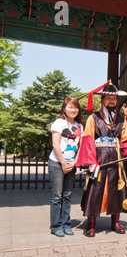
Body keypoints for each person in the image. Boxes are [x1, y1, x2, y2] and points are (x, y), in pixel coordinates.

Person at [76, 82, 127, 237]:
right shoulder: (93, 118)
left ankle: (115, 222)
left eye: (114, 99)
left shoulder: (121, 120)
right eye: (108, 99)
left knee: (117, 189)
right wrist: (90, 161)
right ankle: (91, 224)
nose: (111, 101)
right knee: (95, 189)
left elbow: (126, 139)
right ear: (102, 100)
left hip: (116, 158)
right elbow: (88, 139)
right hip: (98, 158)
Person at [49, 97, 83, 237]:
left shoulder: (80, 126)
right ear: (64, 108)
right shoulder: (59, 123)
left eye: (75, 107)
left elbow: (80, 146)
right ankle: (56, 226)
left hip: (71, 163)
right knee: (57, 196)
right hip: (57, 163)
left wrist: (75, 162)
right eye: (69, 107)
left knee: (67, 195)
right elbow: (55, 144)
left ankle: (66, 224)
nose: (73, 110)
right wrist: (63, 162)